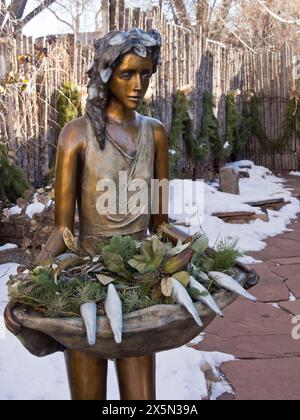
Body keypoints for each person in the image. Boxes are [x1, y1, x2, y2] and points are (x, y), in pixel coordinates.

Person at [4, 29, 191, 400]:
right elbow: (62, 230)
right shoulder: (76, 136)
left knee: (141, 396)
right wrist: (29, 285)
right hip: (86, 281)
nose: (139, 85)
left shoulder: (155, 134)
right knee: (87, 389)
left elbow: (160, 223)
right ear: (106, 75)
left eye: (146, 74)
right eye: (128, 74)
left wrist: (193, 247)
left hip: (140, 281)